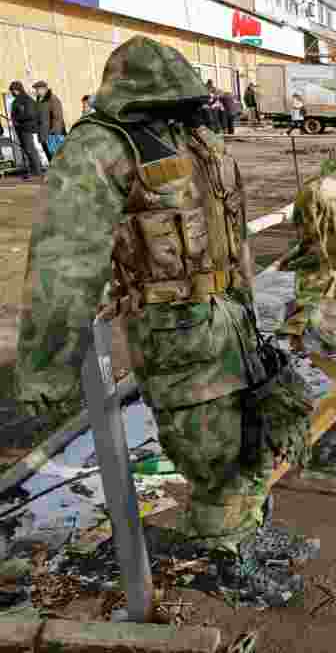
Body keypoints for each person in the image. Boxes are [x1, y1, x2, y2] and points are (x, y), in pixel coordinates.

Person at [13, 36, 311, 552]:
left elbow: (230, 231)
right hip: (182, 346)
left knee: (252, 448)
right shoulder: (102, 148)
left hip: (232, 330)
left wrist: (250, 301)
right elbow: (64, 263)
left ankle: (240, 542)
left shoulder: (194, 138)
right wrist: (48, 370)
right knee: (214, 464)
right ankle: (226, 564)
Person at [8, 81, 42, 180]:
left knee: (30, 149)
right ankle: (32, 170)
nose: (12, 93)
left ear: (17, 90)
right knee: (26, 150)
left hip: (26, 128)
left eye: (13, 90)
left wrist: (18, 119)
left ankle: (37, 170)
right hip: (20, 128)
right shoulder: (18, 100)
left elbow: (30, 114)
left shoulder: (26, 100)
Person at [33, 81, 65, 162]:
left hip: (52, 135)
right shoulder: (39, 100)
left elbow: (57, 117)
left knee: (58, 157)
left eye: (38, 89)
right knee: (50, 157)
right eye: (36, 90)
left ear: (44, 89)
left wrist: (54, 132)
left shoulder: (52, 99)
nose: (36, 91)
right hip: (43, 135)